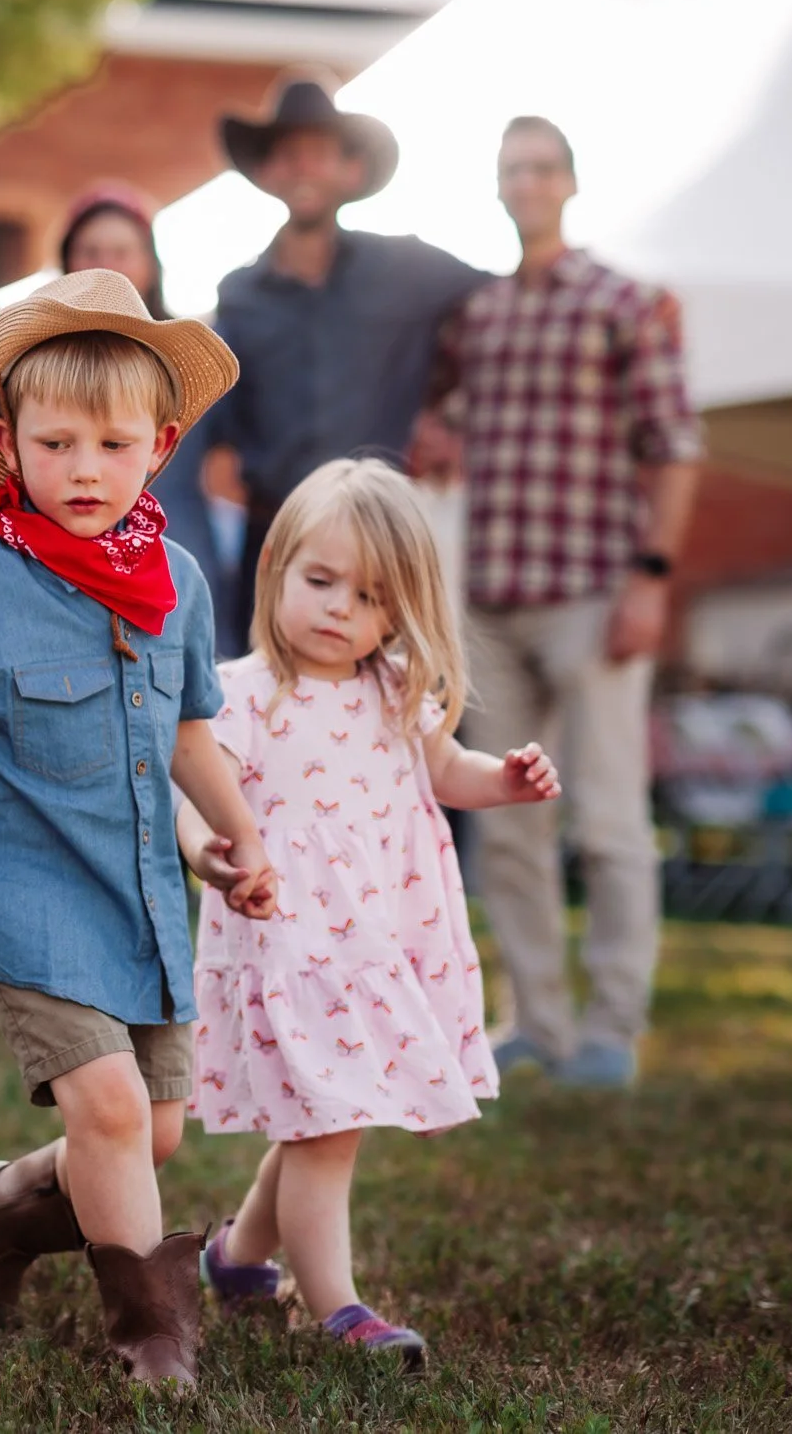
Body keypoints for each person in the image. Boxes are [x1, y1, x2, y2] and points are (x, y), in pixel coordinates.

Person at [0, 269, 277, 1388]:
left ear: (160, 446)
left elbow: (187, 732)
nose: (87, 468)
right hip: (28, 899)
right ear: (7, 439)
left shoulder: (172, 576)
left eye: (115, 444)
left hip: (141, 903)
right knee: (114, 1109)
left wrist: (238, 837)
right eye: (59, 440)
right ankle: (150, 1330)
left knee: (147, 1133)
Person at [186, 458, 561, 1369]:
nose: (340, 609)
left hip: (375, 940)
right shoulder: (241, 692)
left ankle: (236, 1258)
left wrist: (502, 781)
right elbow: (194, 794)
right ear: (276, 563)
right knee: (326, 1125)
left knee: (325, 1115)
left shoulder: (395, 688)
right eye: (321, 581)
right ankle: (340, 1309)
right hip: (286, 943)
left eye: (370, 596)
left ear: (401, 611)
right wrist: (211, 852)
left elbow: (447, 770)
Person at [429, 115, 702, 1090]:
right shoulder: (480, 315)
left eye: (542, 167)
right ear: (499, 188)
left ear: (570, 184)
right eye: (512, 169)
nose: (527, 182)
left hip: (594, 594)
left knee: (608, 817)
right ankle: (536, 1018)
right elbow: (441, 408)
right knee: (506, 822)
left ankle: (611, 1026)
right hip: (491, 602)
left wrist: (653, 579)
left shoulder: (624, 302)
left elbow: (673, 445)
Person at [204, 74, 491, 624]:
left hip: (380, 530)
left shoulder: (408, 270)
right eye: (288, 155)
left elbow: (504, 304)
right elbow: (219, 423)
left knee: (386, 696)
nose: (304, 168)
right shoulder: (238, 295)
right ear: (267, 173)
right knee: (266, 698)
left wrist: (449, 414)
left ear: (350, 170)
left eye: (320, 154)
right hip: (275, 531)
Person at [56, 183, 245, 658]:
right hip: (68, 557)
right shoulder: (37, 363)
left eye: (121, 251)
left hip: (177, 551)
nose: (105, 263)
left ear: (150, 263)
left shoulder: (196, 358)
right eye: (90, 251)